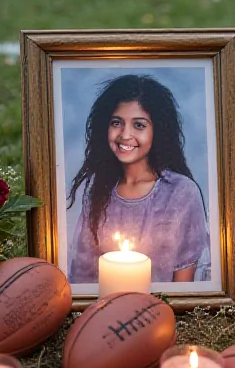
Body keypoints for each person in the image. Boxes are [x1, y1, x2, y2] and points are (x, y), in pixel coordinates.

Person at [67, 74, 211, 284]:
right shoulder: (99, 191)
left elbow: (184, 283)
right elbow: (83, 274)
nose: (125, 135)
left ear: (158, 131)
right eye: (117, 123)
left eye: (139, 125)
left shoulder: (181, 192)